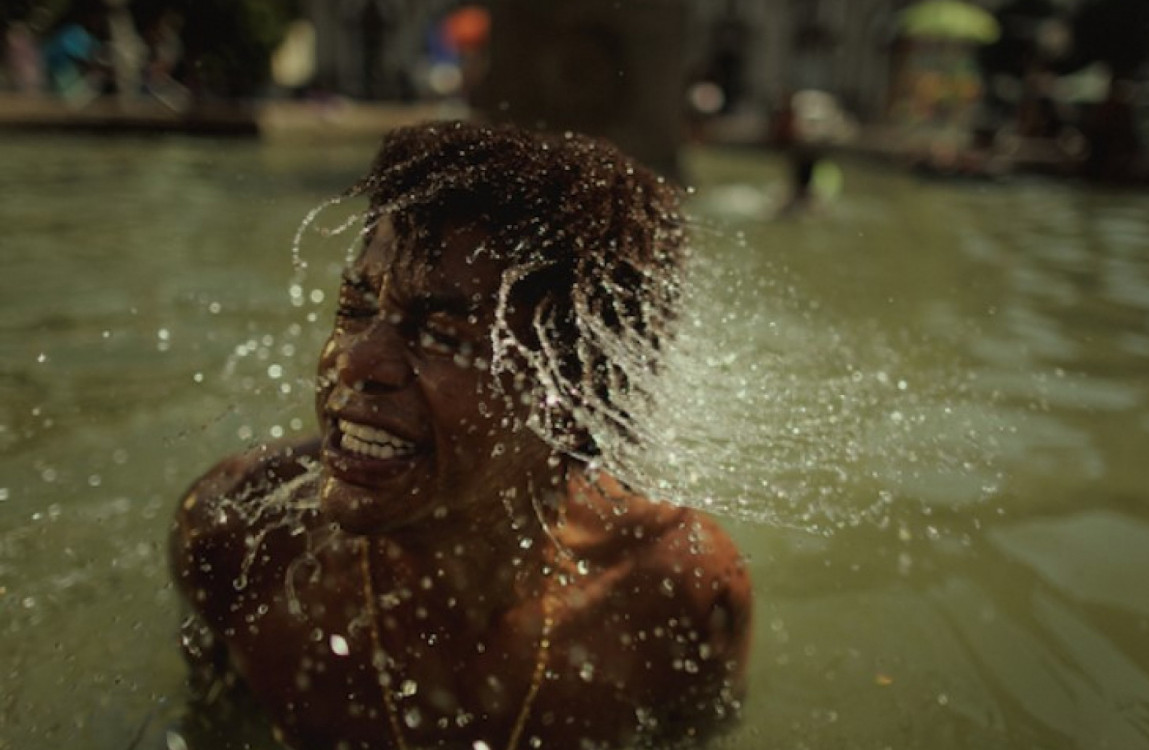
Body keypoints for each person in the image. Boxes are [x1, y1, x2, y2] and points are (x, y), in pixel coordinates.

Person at [170, 121, 753, 750]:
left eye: (443, 334)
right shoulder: (240, 542)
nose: (355, 363)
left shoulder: (674, 593)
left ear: (570, 397)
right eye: (355, 308)